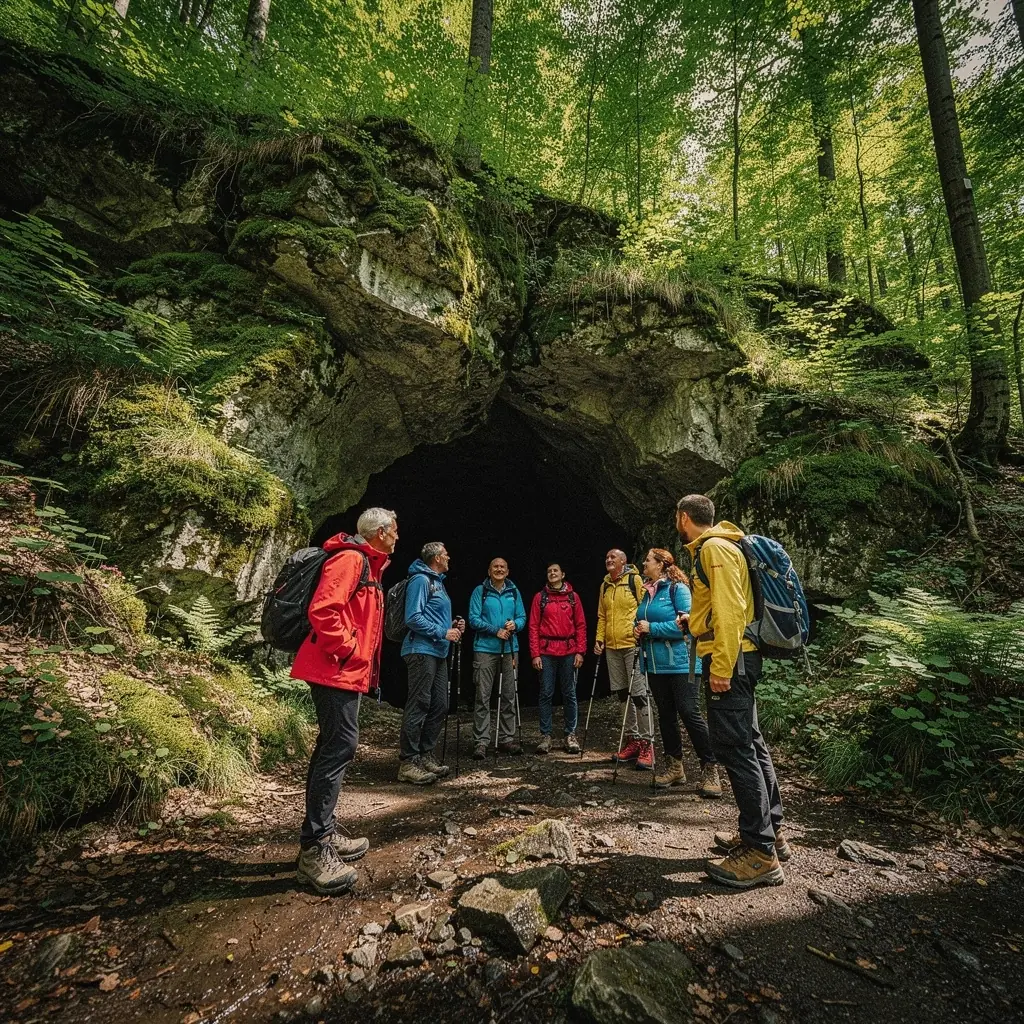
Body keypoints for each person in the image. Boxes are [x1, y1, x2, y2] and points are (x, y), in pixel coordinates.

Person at [675, 494, 789, 889]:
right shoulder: (727, 544)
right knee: (751, 743)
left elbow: (730, 610)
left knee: (736, 749)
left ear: (683, 518)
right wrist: (695, 621)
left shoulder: (714, 549)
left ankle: (760, 853)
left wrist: (721, 667)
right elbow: (724, 606)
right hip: (739, 656)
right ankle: (770, 832)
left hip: (732, 661)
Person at [291, 507, 398, 895]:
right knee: (340, 746)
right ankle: (314, 850)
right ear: (380, 532)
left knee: (333, 746)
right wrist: (350, 650)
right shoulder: (351, 559)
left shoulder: (367, 564)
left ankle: (322, 833)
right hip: (333, 668)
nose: (397, 537)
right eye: (394, 530)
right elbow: (324, 610)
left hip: (340, 670)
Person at [633, 548, 721, 798]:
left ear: (661, 564)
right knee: (666, 715)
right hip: (655, 664)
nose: (644, 563)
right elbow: (643, 622)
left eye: (648, 560)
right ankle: (675, 768)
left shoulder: (678, 589)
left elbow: (689, 625)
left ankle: (710, 768)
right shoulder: (647, 592)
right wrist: (637, 630)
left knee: (689, 712)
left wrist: (652, 628)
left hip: (683, 663)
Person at [398, 541, 465, 785]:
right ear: (436, 557)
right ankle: (408, 762)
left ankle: (425, 754)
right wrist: (443, 632)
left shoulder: (438, 582)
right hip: (420, 650)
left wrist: (453, 626)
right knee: (420, 703)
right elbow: (413, 617)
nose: (449, 558)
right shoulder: (420, 580)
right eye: (445, 554)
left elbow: (432, 616)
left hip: (437, 651)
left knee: (440, 704)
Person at [595, 549, 654, 770]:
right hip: (612, 647)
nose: (609, 560)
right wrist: (599, 638)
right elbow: (602, 615)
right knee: (622, 694)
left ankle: (647, 744)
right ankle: (633, 740)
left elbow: (645, 607)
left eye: (613, 557)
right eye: (607, 557)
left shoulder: (634, 580)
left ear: (623, 561)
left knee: (639, 695)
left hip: (632, 645)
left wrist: (640, 631)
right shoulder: (605, 585)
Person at [468, 557, 526, 758]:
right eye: (495, 566)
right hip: (485, 649)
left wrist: (515, 625)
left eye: (502, 567)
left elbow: (522, 617)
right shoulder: (480, 591)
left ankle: (506, 739)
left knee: (509, 695)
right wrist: (495, 630)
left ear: (507, 571)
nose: (499, 569)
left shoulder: (514, 591)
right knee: (482, 696)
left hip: (510, 648)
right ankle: (481, 741)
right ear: (489, 570)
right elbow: (473, 619)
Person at [529, 563, 586, 754]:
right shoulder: (540, 598)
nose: (552, 573)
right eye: (549, 571)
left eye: (556, 571)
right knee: (546, 693)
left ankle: (570, 734)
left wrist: (580, 651)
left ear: (563, 574)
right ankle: (546, 736)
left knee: (569, 693)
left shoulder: (573, 597)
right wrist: (535, 654)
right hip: (546, 652)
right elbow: (533, 626)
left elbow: (580, 625)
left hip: (569, 651)